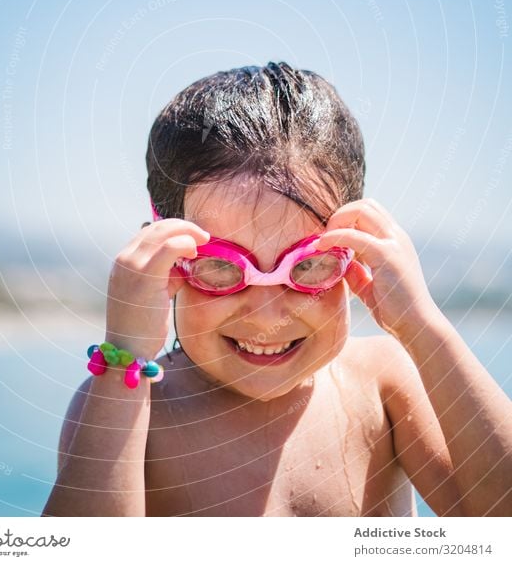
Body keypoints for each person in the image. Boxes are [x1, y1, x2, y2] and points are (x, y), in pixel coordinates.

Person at [42, 61, 512, 517]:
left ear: (358, 253)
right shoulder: (127, 406)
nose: (269, 316)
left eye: (308, 266)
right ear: (161, 262)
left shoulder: (381, 383)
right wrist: (125, 351)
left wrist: (423, 328)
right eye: (221, 269)